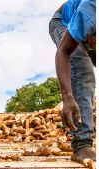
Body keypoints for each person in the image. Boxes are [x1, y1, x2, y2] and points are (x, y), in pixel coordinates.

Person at [49, 0, 96, 163]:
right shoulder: (90, 10)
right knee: (82, 66)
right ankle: (82, 144)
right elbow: (64, 51)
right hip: (62, 22)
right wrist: (67, 96)